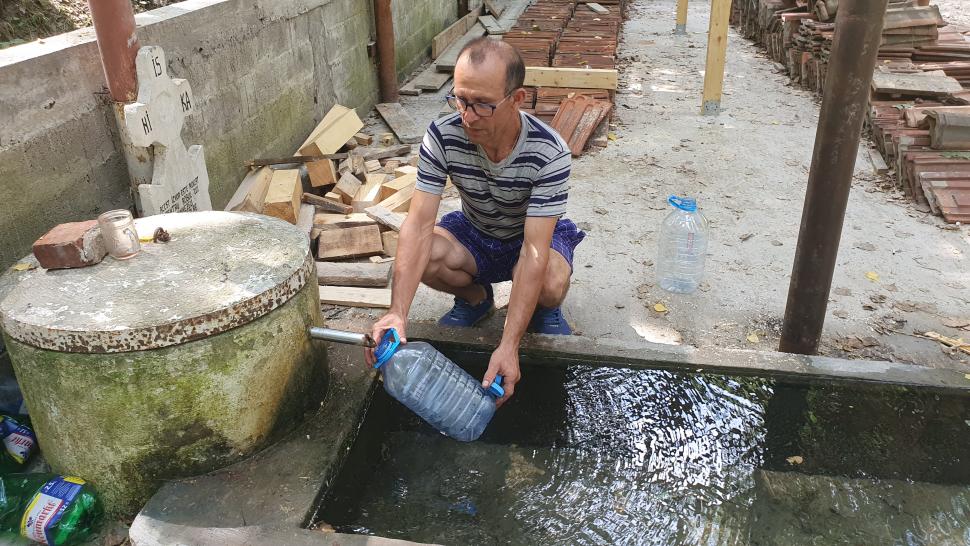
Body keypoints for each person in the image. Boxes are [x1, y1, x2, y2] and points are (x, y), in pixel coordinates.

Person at [365, 37, 585, 405]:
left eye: (483, 104)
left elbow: (533, 250)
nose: (468, 116)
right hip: (476, 229)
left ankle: (544, 309)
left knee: (549, 281)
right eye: (461, 99)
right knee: (426, 255)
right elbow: (418, 225)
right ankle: (476, 300)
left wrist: (509, 345)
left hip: (528, 233)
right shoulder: (442, 135)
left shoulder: (549, 151)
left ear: (517, 99)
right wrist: (397, 313)